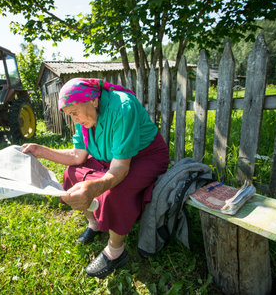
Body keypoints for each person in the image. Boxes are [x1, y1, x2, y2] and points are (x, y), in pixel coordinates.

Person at [22, 77, 169, 278]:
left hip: (144, 156)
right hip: (112, 157)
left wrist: (94, 187)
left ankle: (116, 252)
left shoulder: (123, 106)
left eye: (74, 113)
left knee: (114, 191)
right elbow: (77, 156)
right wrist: (40, 150)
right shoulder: (84, 115)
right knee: (71, 173)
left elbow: (120, 169)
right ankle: (95, 224)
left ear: (93, 100)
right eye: (69, 115)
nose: (74, 120)